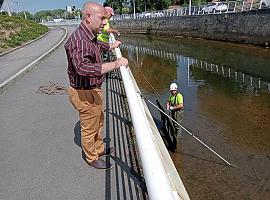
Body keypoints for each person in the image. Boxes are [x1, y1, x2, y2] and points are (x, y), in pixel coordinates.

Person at [64, 2, 128, 170]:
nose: (103, 22)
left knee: (98, 121)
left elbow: (97, 46)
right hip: (83, 92)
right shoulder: (79, 40)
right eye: (101, 18)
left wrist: (111, 46)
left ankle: (98, 149)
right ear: (88, 17)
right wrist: (115, 64)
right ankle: (91, 157)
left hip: (92, 89)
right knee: (89, 127)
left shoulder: (89, 35)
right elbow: (82, 68)